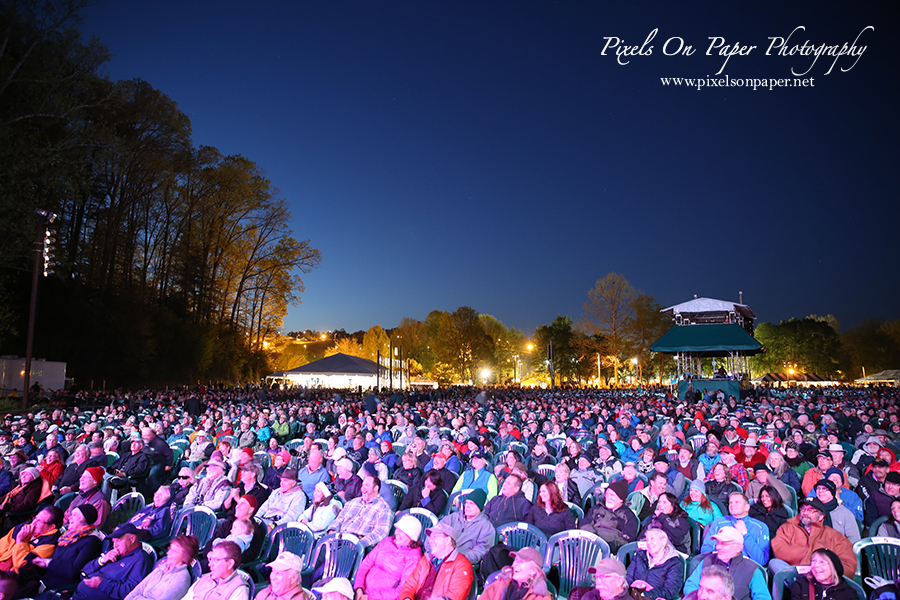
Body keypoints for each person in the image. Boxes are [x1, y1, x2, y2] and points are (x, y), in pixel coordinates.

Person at [770, 498, 857, 575]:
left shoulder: (833, 536)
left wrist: (825, 571)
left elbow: (848, 564)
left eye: (811, 510)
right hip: (794, 573)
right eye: (803, 509)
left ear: (821, 517)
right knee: (774, 563)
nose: (805, 513)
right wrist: (807, 553)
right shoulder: (787, 528)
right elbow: (778, 550)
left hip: (822, 577)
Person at [682, 526, 770, 600]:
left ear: (739, 548)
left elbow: (763, 597)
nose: (718, 547)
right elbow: (691, 585)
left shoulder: (752, 569)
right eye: (718, 543)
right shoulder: (707, 560)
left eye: (724, 543)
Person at [74, 524, 154, 600]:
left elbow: (131, 591)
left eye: (118, 541)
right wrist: (102, 561)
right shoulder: (113, 552)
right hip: (79, 594)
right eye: (113, 541)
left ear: (132, 539)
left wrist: (102, 584)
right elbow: (85, 571)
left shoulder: (140, 559)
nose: (115, 545)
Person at [354, 515, 424, 600]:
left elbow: (402, 590)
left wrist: (370, 597)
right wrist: (358, 588)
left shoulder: (414, 557)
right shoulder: (387, 541)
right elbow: (365, 564)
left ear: (411, 537)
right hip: (360, 591)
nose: (396, 533)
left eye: (401, 531)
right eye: (397, 529)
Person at [398, 523, 473, 600]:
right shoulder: (425, 560)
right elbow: (409, 586)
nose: (430, 540)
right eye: (430, 537)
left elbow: (454, 596)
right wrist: (407, 598)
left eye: (435, 537)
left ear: (448, 540)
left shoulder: (462, 565)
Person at [701, 492, 770, 566]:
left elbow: (761, 560)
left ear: (747, 507)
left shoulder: (760, 527)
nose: (732, 505)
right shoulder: (718, 523)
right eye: (730, 503)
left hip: (746, 568)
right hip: (719, 566)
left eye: (737, 502)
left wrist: (745, 534)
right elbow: (705, 550)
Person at [326, 475, 394, 549]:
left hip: (355, 546)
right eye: (362, 485)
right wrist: (332, 530)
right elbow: (340, 519)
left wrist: (359, 543)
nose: (362, 488)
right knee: (317, 552)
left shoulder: (384, 509)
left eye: (367, 485)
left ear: (376, 488)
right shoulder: (352, 502)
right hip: (338, 539)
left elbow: (381, 533)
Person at [122, 535, 199, 600]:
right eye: (170, 549)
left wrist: (138, 598)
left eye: (174, 551)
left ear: (185, 557)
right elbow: (138, 589)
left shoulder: (181, 578)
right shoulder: (163, 567)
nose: (168, 553)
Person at [432, 488, 495, 565]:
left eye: (471, 503)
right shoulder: (453, 517)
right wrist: (431, 551)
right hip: (438, 556)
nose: (467, 506)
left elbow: (482, 550)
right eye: (466, 503)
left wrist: (460, 558)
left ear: (479, 507)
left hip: (461, 563)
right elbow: (435, 531)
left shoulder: (485, 526)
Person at [581, 479, 639, 554]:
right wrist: (595, 541)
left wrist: (607, 547)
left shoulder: (629, 516)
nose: (608, 497)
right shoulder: (596, 509)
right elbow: (584, 524)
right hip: (590, 544)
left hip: (611, 551)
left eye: (612, 495)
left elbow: (627, 538)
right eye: (607, 494)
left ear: (621, 499)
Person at [624, 527, 684, 600]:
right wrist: (631, 592)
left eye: (652, 539)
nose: (649, 543)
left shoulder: (674, 564)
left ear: (663, 541)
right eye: (647, 540)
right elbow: (628, 577)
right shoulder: (640, 556)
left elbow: (670, 591)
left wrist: (644, 595)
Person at [0, 505, 62, 574]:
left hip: (11, 576)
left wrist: (20, 541)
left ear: (51, 527)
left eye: (39, 521)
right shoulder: (24, 527)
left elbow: (21, 567)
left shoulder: (49, 544)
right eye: (35, 518)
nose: (33, 523)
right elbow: (2, 545)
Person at [182, 541, 250, 600]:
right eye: (211, 559)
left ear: (230, 564)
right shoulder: (204, 578)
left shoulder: (238, 590)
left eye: (216, 560)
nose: (210, 564)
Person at [478, 547, 552, 600]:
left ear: (533, 571)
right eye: (516, 560)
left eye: (521, 561)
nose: (515, 564)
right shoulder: (500, 582)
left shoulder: (542, 596)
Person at [788, 548, 857, 600]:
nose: (815, 565)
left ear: (833, 567)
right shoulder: (802, 583)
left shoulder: (848, 594)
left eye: (822, 562)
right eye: (813, 561)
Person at [811, 479, 859, 544]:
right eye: (818, 488)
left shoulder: (845, 513)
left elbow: (854, 538)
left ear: (832, 492)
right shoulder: (809, 510)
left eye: (824, 489)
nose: (820, 491)